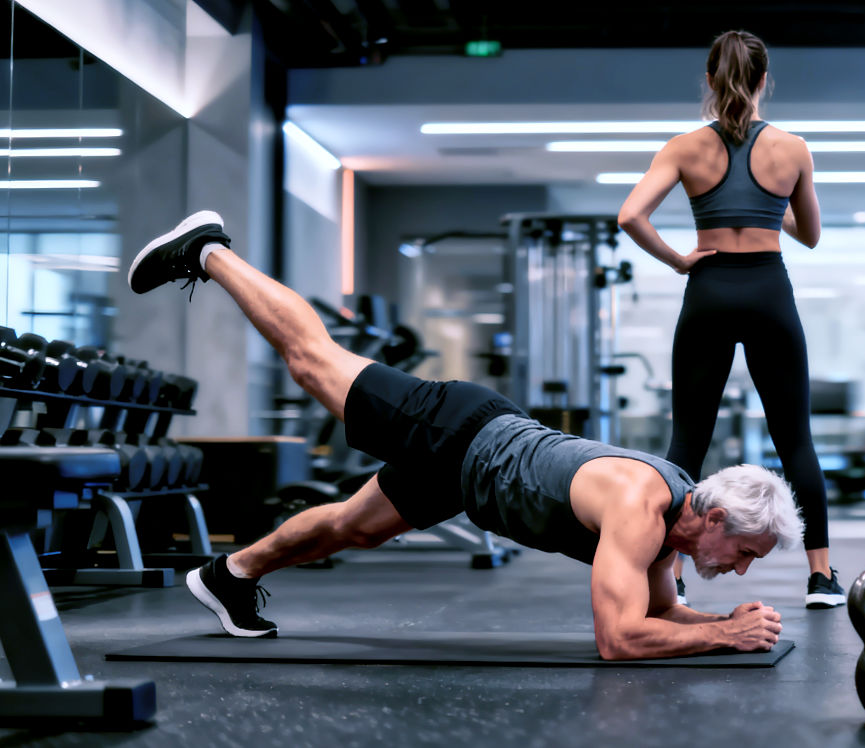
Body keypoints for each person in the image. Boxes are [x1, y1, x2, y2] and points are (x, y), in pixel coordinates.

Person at [127, 211, 804, 661]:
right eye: (744, 552)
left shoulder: (669, 537)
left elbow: (660, 616)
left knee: (354, 529)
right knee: (312, 360)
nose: (740, 568)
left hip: (466, 472)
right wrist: (723, 637)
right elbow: (620, 639)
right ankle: (209, 250)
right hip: (458, 428)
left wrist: (723, 626)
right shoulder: (638, 505)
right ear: (713, 515)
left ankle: (229, 574)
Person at [616, 30, 843, 610]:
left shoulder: (684, 147)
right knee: (795, 439)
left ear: (711, 81)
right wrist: (771, 211)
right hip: (769, 290)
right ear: (765, 80)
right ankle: (821, 578)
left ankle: (670, 572)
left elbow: (631, 216)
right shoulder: (792, 149)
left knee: (685, 442)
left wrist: (678, 259)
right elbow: (811, 236)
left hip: (709, 288)